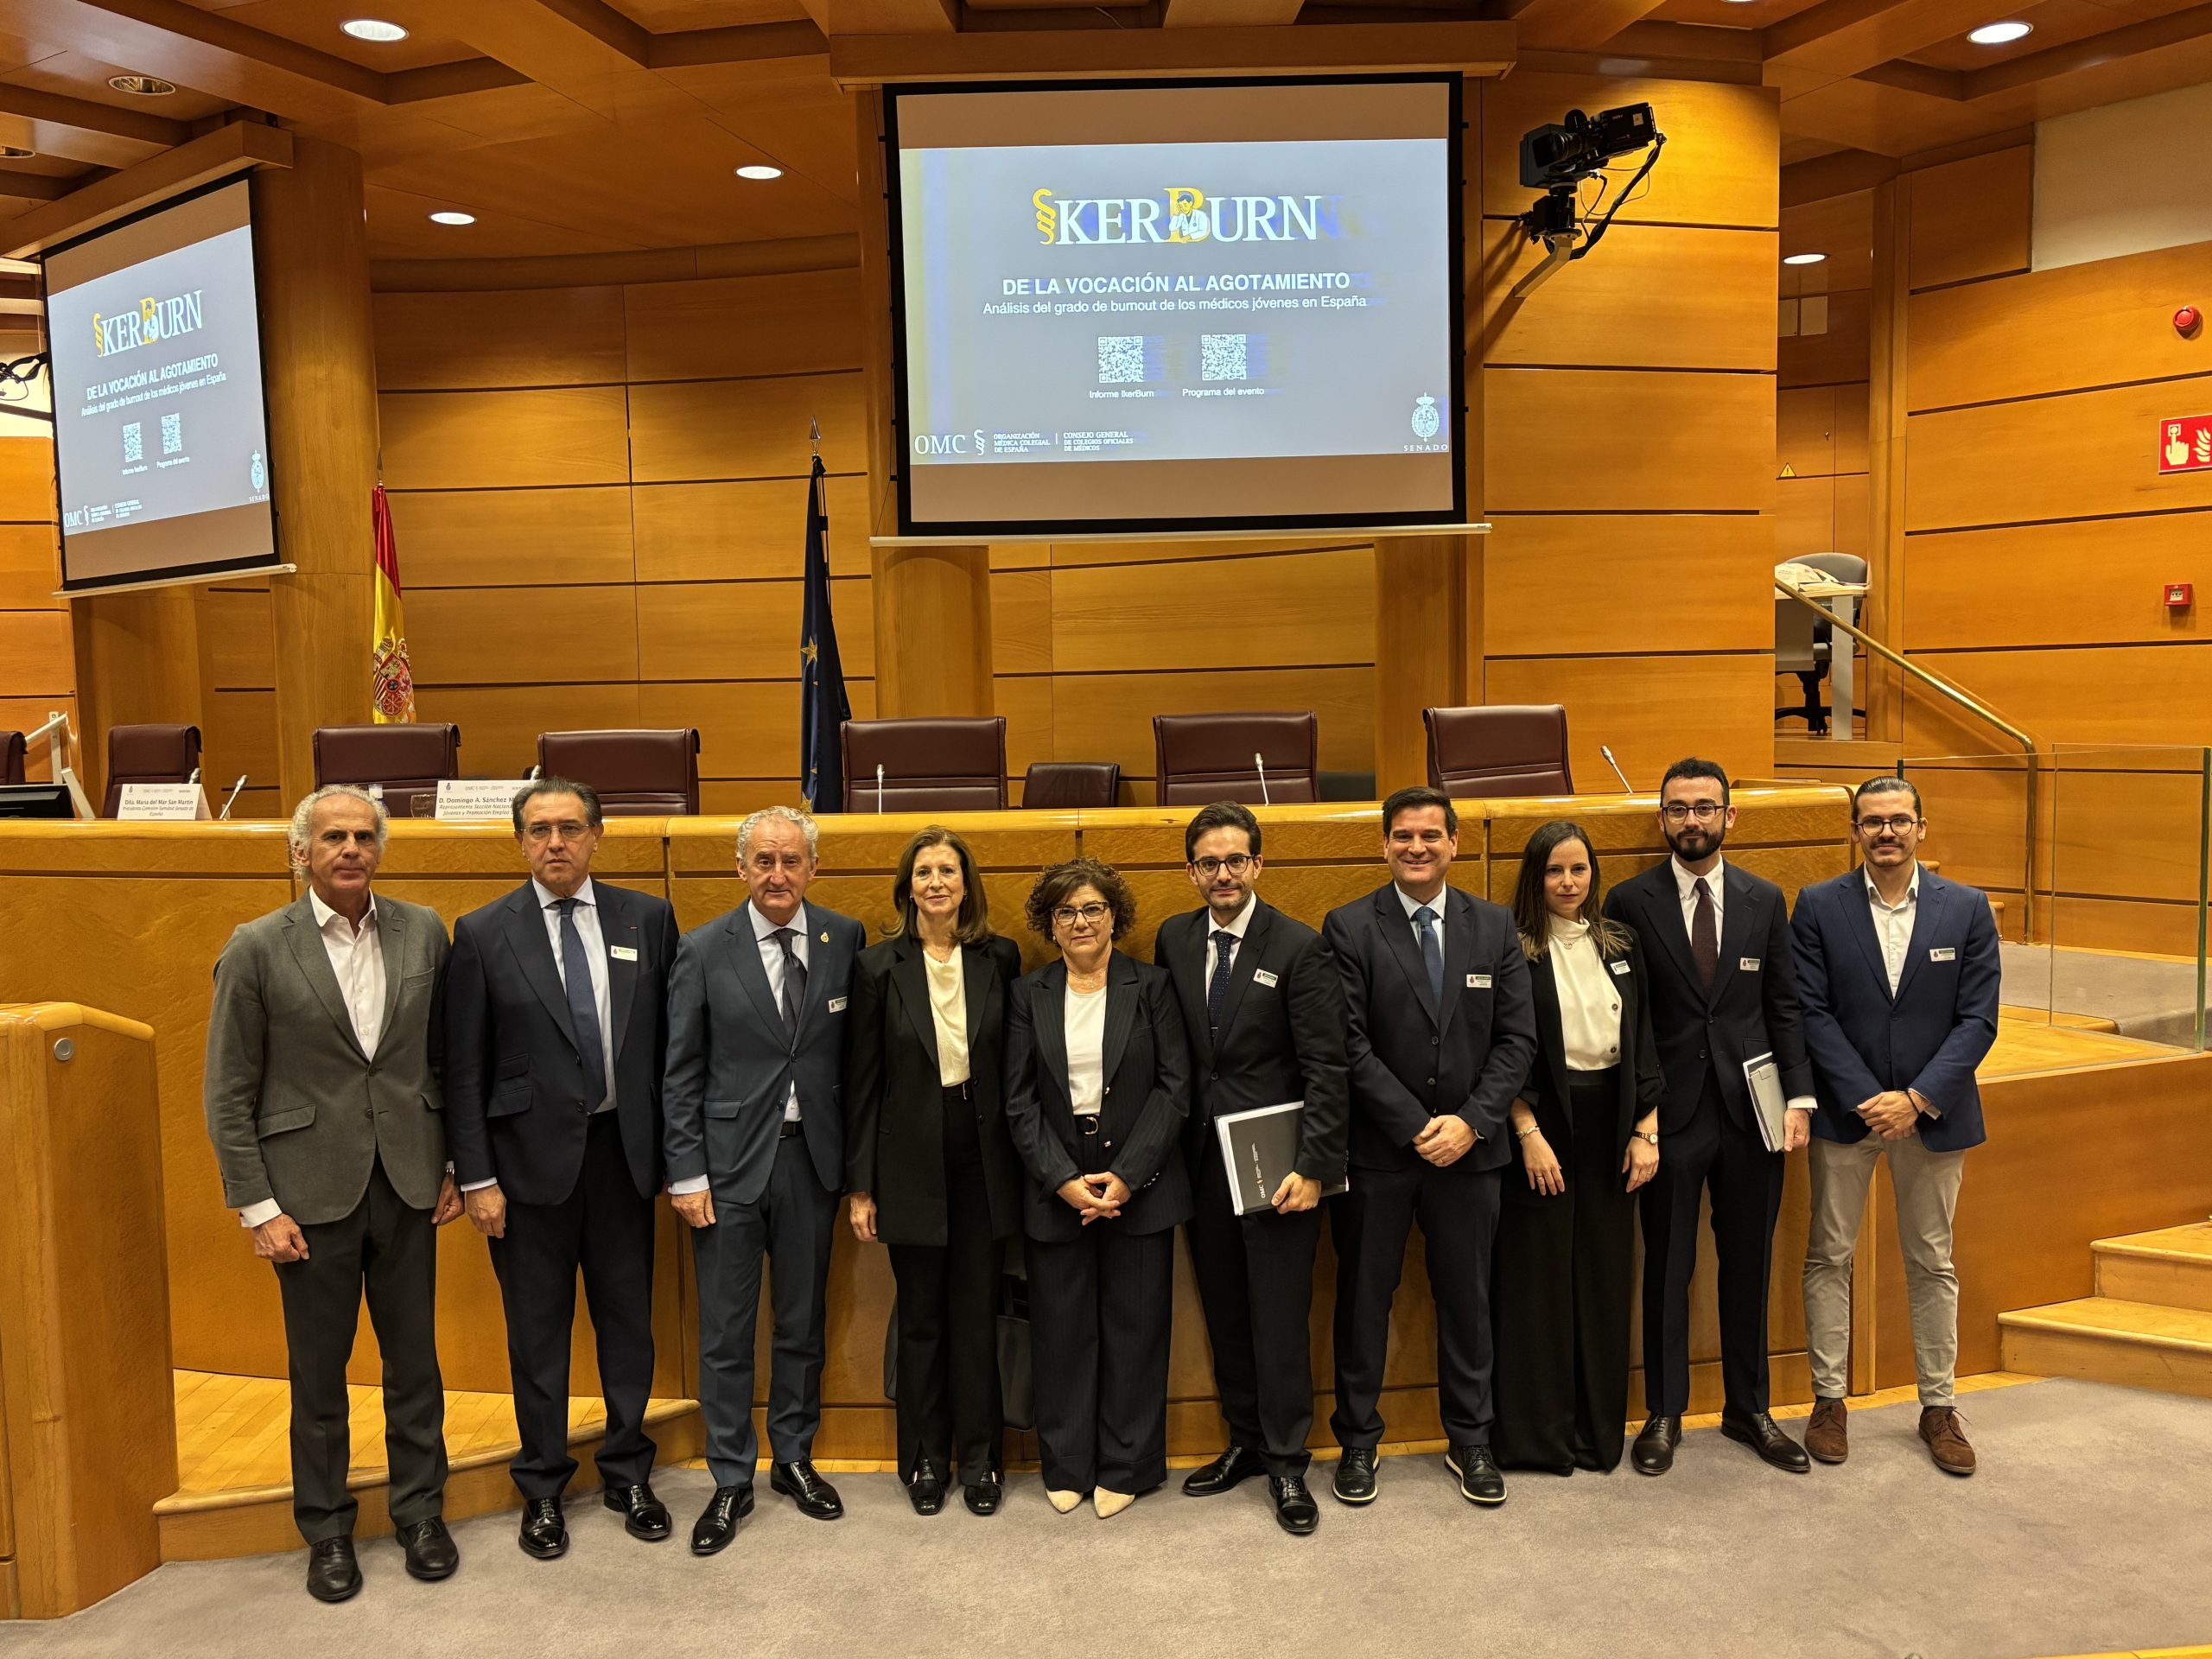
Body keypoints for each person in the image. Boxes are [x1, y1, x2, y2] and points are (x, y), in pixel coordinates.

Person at [203, 784, 462, 1602]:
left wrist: (453, 1164)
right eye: (333, 838)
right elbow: (228, 1091)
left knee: (415, 1364)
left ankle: (421, 1512)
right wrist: (258, 1206)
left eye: (363, 837)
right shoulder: (256, 947)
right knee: (319, 1376)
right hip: (306, 1197)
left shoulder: (424, 931)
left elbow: (445, 1060)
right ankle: (326, 1530)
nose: (350, 849)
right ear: (300, 853)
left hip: (409, 1182)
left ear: (379, 849)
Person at [444, 778, 682, 1559]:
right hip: (524, 1171)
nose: (556, 843)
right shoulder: (482, 933)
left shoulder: (648, 919)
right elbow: (464, 1070)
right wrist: (476, 1178)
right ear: (520, 842)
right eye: (540, 830)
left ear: (596, 836)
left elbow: (671, 1048)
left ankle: (628, 1471)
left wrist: (676, 1156)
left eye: (571, 828)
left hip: (624, 1157)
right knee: (537, 1336)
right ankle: (542, 1486)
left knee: (628, 1327)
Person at [1321, 786, 1536, 1509]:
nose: (1417, 847)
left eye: (1430, 836)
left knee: (1468, 1303)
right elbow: (1347, 1044)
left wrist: (1471, 1121)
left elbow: (1517, 1040)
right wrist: (1415, 1124)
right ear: (1384, 845)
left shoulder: (1493, 925)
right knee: (1363, 1302)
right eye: (1404, 836)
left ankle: (1470, 1440)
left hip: (1472, 1155)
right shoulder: (1350, 926)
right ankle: (1358, 1442)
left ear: (1454, 844)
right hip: (1380, 1155)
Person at [1602, 758, 1817, 1477]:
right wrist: (1642, 1116)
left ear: (1730, 816)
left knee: (1749, 1263)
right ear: (1661, 818)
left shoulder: (1765, 898)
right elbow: (1628, 1017)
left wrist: (1799, 1098)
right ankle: (1664, 1412)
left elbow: (1783, 1005)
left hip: (1753, 1113)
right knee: (1668, 1267)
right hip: (1669, 1115)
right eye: (1678, 808)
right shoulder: (1630, 901)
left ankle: (1748, 1409)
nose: (1691, 820)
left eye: (1704, 807)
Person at [664, 804, 865, 1553]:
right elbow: (680, 1072)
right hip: (726, 1168)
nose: (778, 875)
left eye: (791, 861)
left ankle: (794, 1458)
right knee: (726, 1331)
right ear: (741, 868)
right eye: (764, 861)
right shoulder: (701, 948)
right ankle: (729, 1477)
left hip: (811, 1162)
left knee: (801, 1321)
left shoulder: (843, 938)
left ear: (812, 868)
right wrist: (686, 1172)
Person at [1792, 777, 1999, 1476]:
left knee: (1932, 1261)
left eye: (1900, 820)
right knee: (1829, 1255)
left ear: (1921, 829)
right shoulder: (1818, 905)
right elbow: (1810, 1011)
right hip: (1845, 1115)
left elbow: (1979, 1019)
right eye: (1873, 821)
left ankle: (1938, 1407)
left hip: (1934, 1115)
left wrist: (1916, 1098)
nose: (1887, 832)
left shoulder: (1966, 908)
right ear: (1855, 830)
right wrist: (1866, 1098)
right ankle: (1828, 1401)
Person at [1152, 801, 1347, 1535]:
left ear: (1258, 864)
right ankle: (1245, 1441)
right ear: (1192, 871)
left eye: (1235, 860)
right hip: (1200, 1164)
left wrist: (1315, 1166)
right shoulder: (1174, 938)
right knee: (1227, 1311)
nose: (1223, 874)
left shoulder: (1299, 946)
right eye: (1209, 863)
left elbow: (1327, 1068)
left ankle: (1289, 1462)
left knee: (1278, 1317)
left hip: (1278, 1169)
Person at [1002, 857, 1192, 1518]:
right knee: (1062, 1332)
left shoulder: (1153, 986)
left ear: (1115, 917)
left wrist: (1128, 1176)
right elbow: (1018, 1101)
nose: (1080, 922)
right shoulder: (1029, 994)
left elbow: (1174, 1088)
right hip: (1055, 1182)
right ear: (1049, 924)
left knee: (1136, 1330)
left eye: (1092, 909)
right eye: (1066, 912)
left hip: (1140, 1181)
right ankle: (1067, 1465)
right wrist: (1061, 1178)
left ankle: (1128, 1465)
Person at [844, 826, 1025, 1517]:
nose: (937, 883)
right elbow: (862, 1083)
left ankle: (980, 1460)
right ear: (907, 887)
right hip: (908, 1161)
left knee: (977, 1317)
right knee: (921, 1319)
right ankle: (925, 1458)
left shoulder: (998, 957)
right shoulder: (876, 966)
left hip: (983, 1157)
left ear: (967, 884)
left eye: (948, 870)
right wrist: (861, 1186)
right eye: (924, 872)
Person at [1491, 821, 1665, 1475]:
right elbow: (1500, 1048)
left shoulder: (1620, 942)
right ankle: (1539, 1440)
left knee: (1604, 1278)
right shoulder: (1513, 947)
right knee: (1535, 1285)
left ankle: (1597, 1435)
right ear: (1534, 877)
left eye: (1579, 869)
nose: (1568, 883)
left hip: (1613, 1124)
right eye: (1554, 871)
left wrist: (1646, 1129)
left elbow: (1646, 1040)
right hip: (1540, 1125)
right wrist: (1527, 1131)